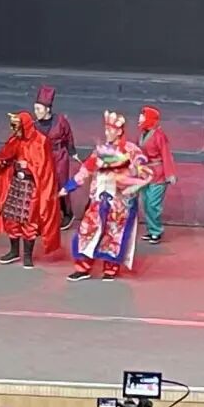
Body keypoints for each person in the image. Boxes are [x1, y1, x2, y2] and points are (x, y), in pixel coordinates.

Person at [65, 111, 153, 281]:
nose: (107, 133)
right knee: (87, 231)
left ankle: (110, 269)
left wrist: (134, 176)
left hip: (119, 204)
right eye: (106, 129)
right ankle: (83, 268)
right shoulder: (101, 151)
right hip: (99, 200)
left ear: (119, 131)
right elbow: (87, 168)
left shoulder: (131, 150)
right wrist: (70, 186)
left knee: (113, 235)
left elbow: (143, 168)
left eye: (110, 129)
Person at [0, 112, 61, 268]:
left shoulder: (41, 141)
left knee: (29, 220)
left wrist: (28, 166)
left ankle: (28, 256)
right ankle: (14, 251)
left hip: (32, 186)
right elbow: (7, 155)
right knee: (12, 218)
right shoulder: (16, 140)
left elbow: (45, 167)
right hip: (16, 183)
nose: (15, 130)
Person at [32, 86, 81, 230]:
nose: (36, 112)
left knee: (61, 183)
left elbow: (68, 136)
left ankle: (67, 213)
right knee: (43, 185)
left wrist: (72, 151)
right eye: (35, 109)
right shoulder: (35, 125)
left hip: (59, 156)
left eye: (39, 109)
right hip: (43, 157)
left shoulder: (60, 121)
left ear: (47, 109)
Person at [137, 106, 178, 245]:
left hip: (158, 174)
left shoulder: (159, 136)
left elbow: (166, 155)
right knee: (146, 203)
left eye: (143, 116)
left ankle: (156, 231)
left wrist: (170, 173)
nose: (139, 119)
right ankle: (151, 230)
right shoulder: (143, 134)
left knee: (153, 204)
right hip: (146, 173)